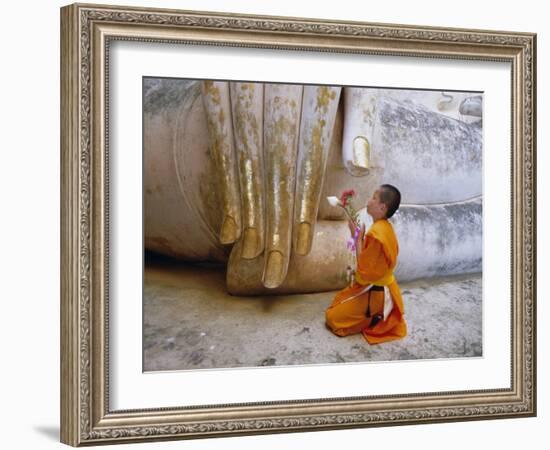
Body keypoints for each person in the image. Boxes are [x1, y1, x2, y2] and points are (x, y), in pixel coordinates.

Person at [325, 184, 407, 344]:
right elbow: (368, 264)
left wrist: (356, 239)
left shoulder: (377, 235)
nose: (368, 201)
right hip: (379, 287)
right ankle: (374, 314)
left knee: (333, 319)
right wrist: (358, 237)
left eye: (373, 198)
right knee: (337, 301)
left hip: (377, 294)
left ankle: (377, 318)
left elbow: (363, 274)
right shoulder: (383, 227)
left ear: (382, 208)